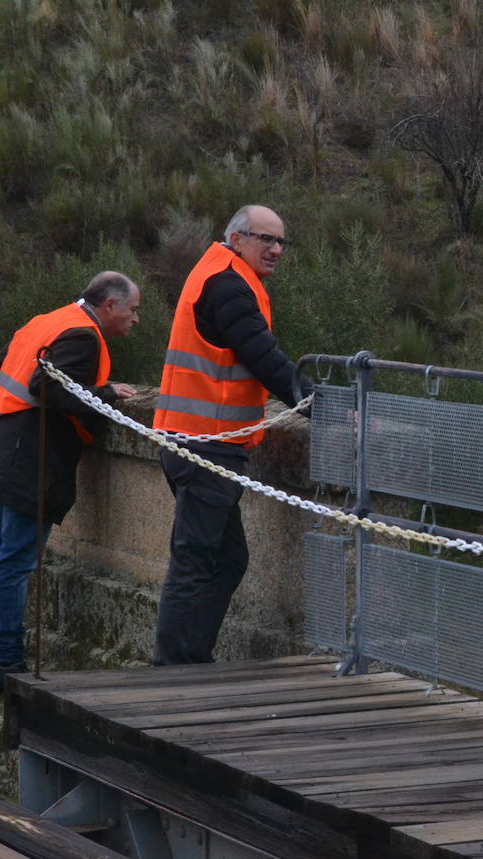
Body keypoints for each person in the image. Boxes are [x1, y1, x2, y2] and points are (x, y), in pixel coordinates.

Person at [0, 272, 141, 693]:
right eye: (133, 310)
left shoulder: (45, 321)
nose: (136, 319)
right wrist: (107, 393)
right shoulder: (84, 336)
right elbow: (46, 386)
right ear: (109, 305)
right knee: (14, 561)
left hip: (1, 444)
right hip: (31, 457)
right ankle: (5, 659)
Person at [152, 205, 314, 665]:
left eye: (281, 241)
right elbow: (264, 357)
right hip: (206, 445)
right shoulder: (229, 285)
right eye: (266, 239)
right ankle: (174, 670)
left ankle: (188, 659)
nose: (276, 249)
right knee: (196, 561)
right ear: (237, 238)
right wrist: (325, 407)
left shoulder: (219, 273)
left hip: (197, 441)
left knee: (224, 560)